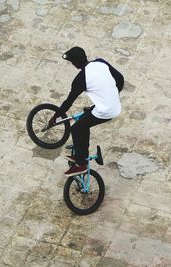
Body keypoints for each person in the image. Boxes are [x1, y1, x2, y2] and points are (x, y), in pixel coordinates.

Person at [49, 46, 124, 176]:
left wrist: (55, 117)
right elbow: (120, 79)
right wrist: (111, 95)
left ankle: (81, 163)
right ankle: (82, 154)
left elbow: (68, 102)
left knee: (76, 129)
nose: (72, 64)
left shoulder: (80, 79)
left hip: (106, 111)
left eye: (72, 62)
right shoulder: (101, 62)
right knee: (85, 121)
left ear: (76, 62)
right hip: (114, 104)